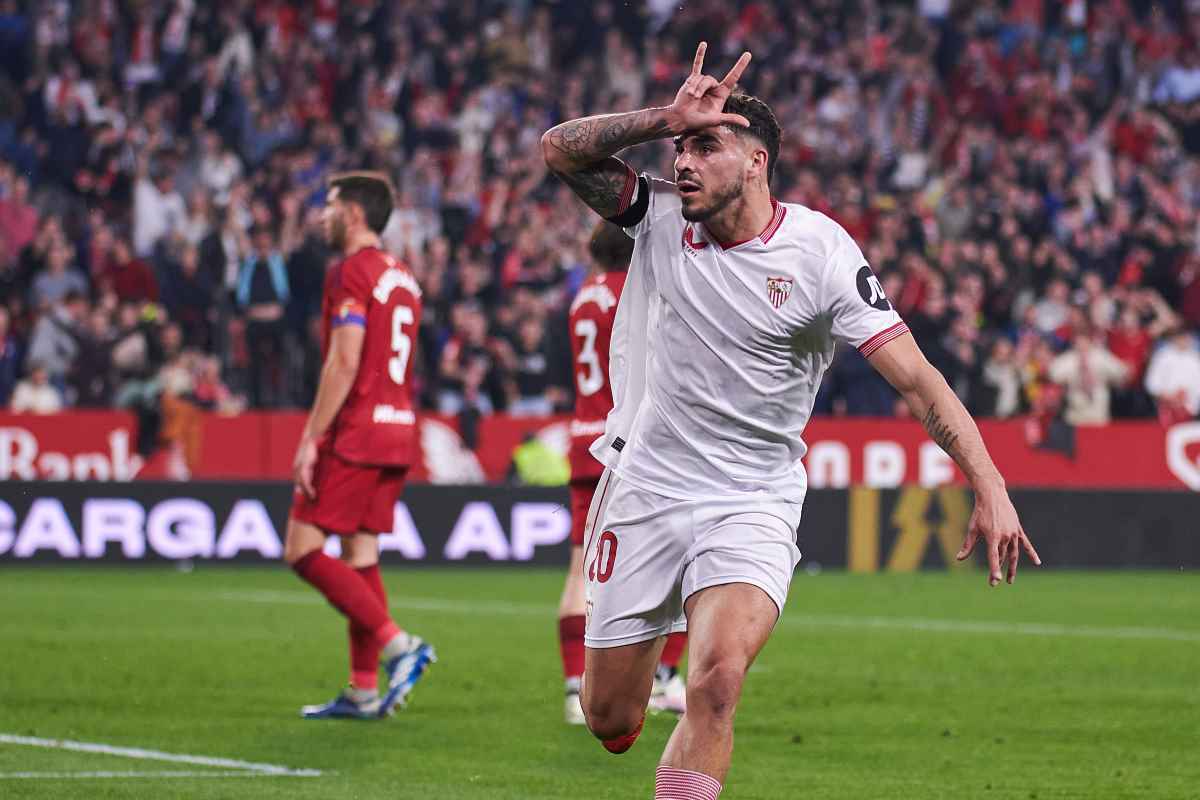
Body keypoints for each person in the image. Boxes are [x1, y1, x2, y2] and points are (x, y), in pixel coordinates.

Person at [541, 42, 1039, 799]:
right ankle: (627, 706)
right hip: (645, 485)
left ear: (756, 162)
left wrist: (991, 483)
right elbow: (559, 151)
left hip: (752, 498)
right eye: (680, 147)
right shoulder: (658, 215)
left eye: (706, 145)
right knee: (610, 719)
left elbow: (920, 382)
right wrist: (662, 116)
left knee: (715, 681)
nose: (684, 162)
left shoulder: (821, 255)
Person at [283, 172, 435, 720]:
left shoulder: (349, 272)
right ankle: (364, 689)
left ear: (352, 214)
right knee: (361, 555)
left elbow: (345, 361)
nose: (320, 217)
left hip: (358, 430)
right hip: (398, 427)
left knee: (300, 549)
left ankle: (400, 645)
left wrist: (311, 438)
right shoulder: (402, 277)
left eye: (328, 208)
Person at [558, 221, 688, 726]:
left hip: (581, 438)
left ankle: (575, 687)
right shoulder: (634, 293)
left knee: (579, 569)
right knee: (672, 563)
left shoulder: (582, 297)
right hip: (631, 440)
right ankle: (660, 677)